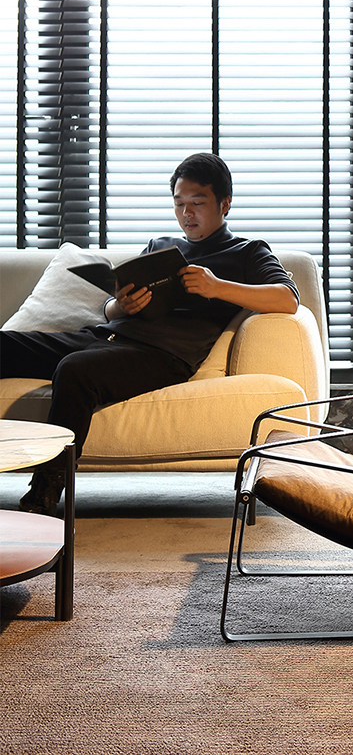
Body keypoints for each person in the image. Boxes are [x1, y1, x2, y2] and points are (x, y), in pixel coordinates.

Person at [0, 153, 299, 514]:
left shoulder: (247, 252)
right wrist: (123, 305)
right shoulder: (161, 246)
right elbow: (111, 309)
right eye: (179, 203)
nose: (187, 213)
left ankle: (42, 498)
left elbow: (287, 299)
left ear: (225, 203)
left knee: (75, 370)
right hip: (106, 336)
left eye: (197, 203)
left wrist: (216, 287)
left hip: (162, 355)